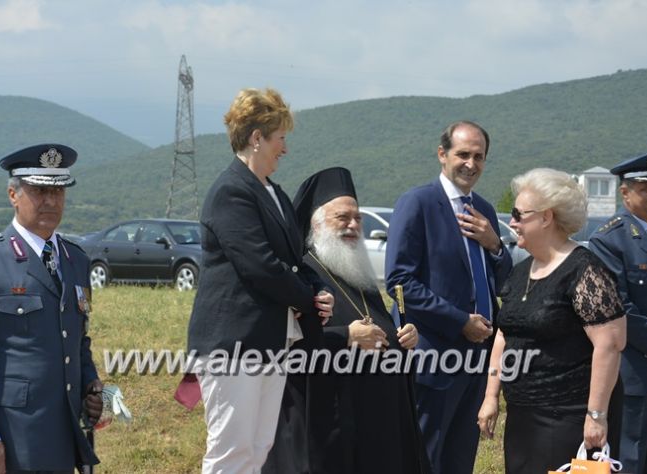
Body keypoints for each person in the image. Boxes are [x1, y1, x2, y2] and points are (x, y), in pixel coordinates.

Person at [186, 88, 334, 474]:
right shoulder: (231, 191)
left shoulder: (275, 193)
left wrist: (319, 290)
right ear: (257, 138)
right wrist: (307, 299)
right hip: (234, 343)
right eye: (280, 138)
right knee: (231, 451)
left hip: (270, 340)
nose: (284, 148)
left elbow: (295, 259)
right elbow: (261, 266)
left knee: (258, 448)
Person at [0, 144, 103, 473]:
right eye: (39, 191)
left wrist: (91, 387)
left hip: (62, 438)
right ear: (13, 194)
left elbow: (77, 340)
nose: (51, 201)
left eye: (58, 191)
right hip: (7, 442)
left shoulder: (75, 260)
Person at [276, 166, 426, 474]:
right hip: (332, 421)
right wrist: (346, 336)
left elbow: (378, 328)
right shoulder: (301, 276)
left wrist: (403, 338)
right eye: (342, 218)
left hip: (379, 423)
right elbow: (286, 347)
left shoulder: (358, 274)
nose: (353, 225)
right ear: (316, 224)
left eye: (357, 218)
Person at [476, 168, 626, 472]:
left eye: (519, 214)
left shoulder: (584, 270)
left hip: (568, 417)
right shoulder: (520, 272)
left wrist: (596, 416)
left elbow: (610, 344)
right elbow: (505, 334)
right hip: (523, 417)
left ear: (546, 217)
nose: (512, 222)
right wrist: (491, 395)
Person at [385, 120, 512, 474]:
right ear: (442, 155)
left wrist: (495, 245)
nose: (471, 164)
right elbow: (399, 282)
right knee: (427, 459)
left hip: (476, 361)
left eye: (479, 156)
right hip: (434, 358)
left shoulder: (485, 210)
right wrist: (460, 322)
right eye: (463, 154)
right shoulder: (418, 203)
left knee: (460, 461)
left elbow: (502, 283)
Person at [589, 152, 647, 473]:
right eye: (645, 188)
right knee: (631, 460)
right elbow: (621, 308)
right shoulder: (609, 240)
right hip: (635, 374)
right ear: (625, 193)